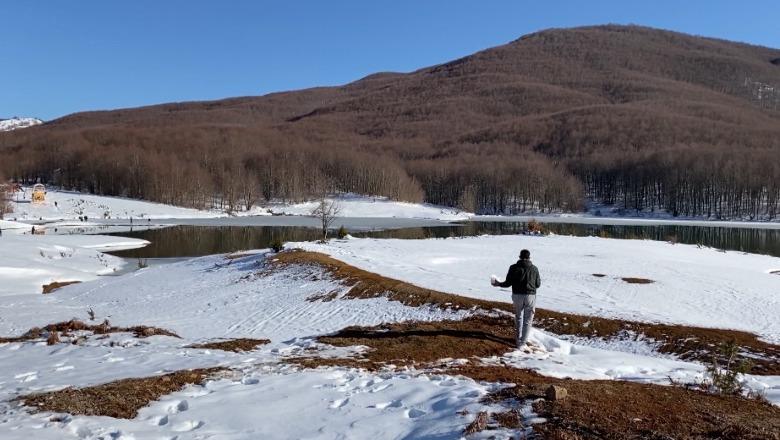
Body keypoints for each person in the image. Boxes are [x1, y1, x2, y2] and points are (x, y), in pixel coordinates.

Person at [492, 249, 541, 349]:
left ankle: (517, 340)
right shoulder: (534, 269)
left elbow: (508, 283)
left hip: (517, 295)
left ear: (519, 257)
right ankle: (522, 343)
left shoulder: (513, 267)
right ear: (529, 257)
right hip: (530, 296)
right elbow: (538, 284)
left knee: (518, 317)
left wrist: (498, 284)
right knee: (528, 320)